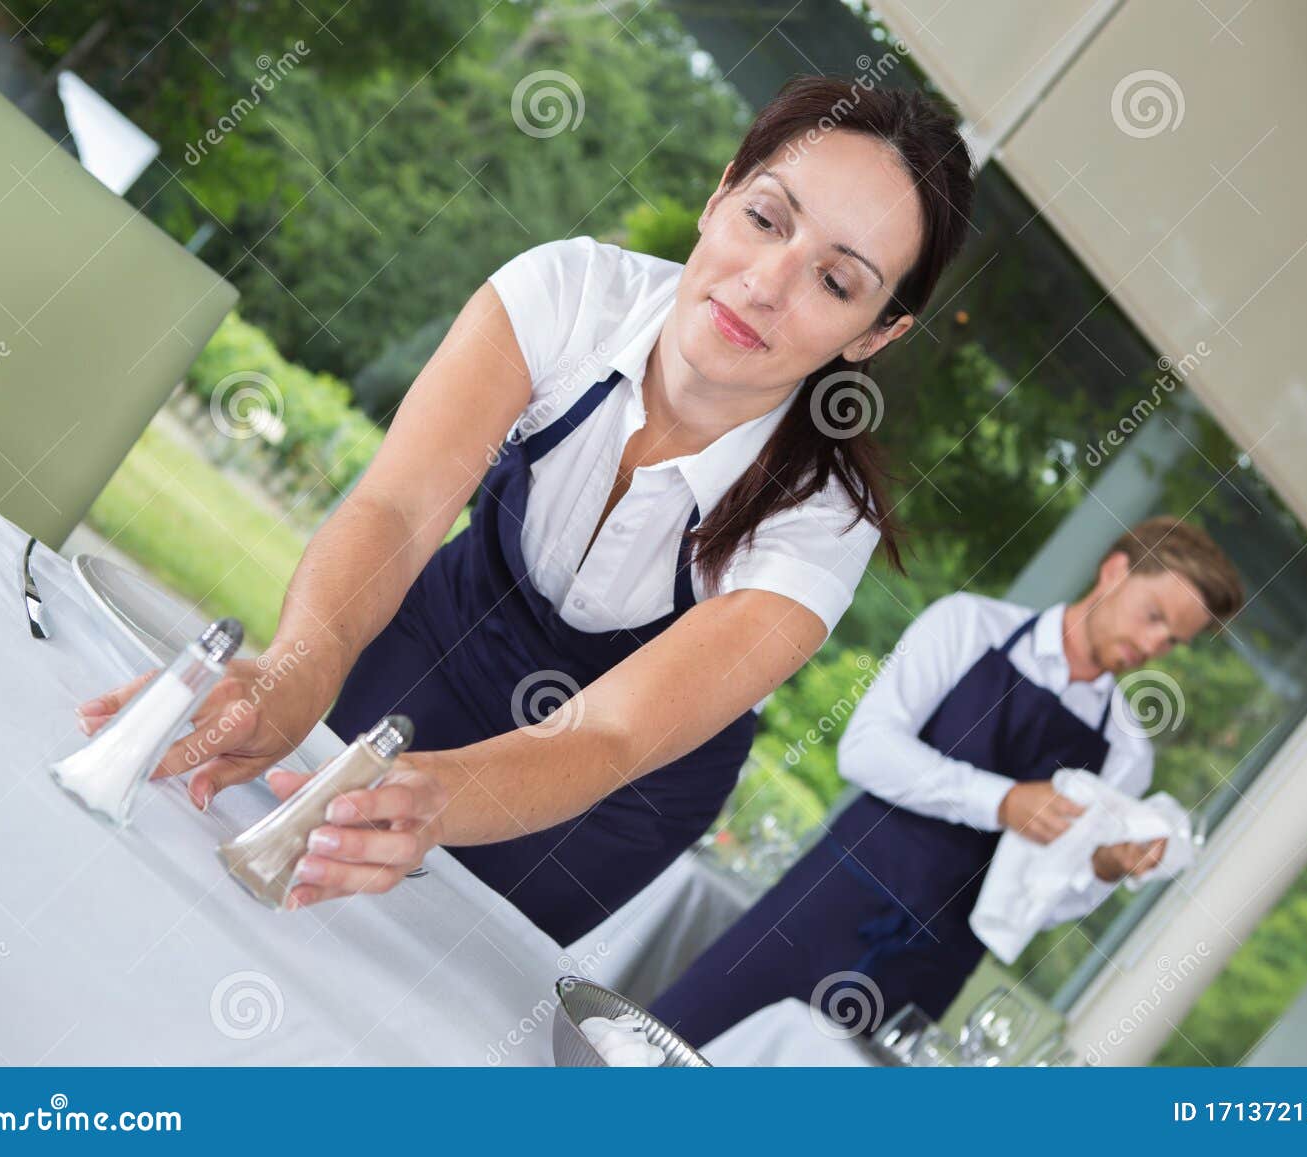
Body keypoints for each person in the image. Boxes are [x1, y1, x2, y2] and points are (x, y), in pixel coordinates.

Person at [71, 77, 978, 944]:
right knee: (218, 857)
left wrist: (433, 796)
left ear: (875, 335)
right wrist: (300, 666)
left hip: (613, 791)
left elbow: (616, 732)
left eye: (837, 282)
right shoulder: (569, 294)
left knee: (406, 982)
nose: (768, 283)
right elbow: (396, 509)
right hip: (442, 636)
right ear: (719, 194)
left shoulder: (823, 522)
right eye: (765, 218)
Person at [648, 517, 1245, 1046]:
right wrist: (1001, 801)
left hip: (931, 969)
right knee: (671, 1049)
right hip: (828, 901)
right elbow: (867, 750)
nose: (1151, 645)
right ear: (1115, 571)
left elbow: (1040, 901)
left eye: (1172, 640)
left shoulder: (1126, 752)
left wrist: (1102, 869)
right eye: (1154, 617)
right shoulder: (968, 625)